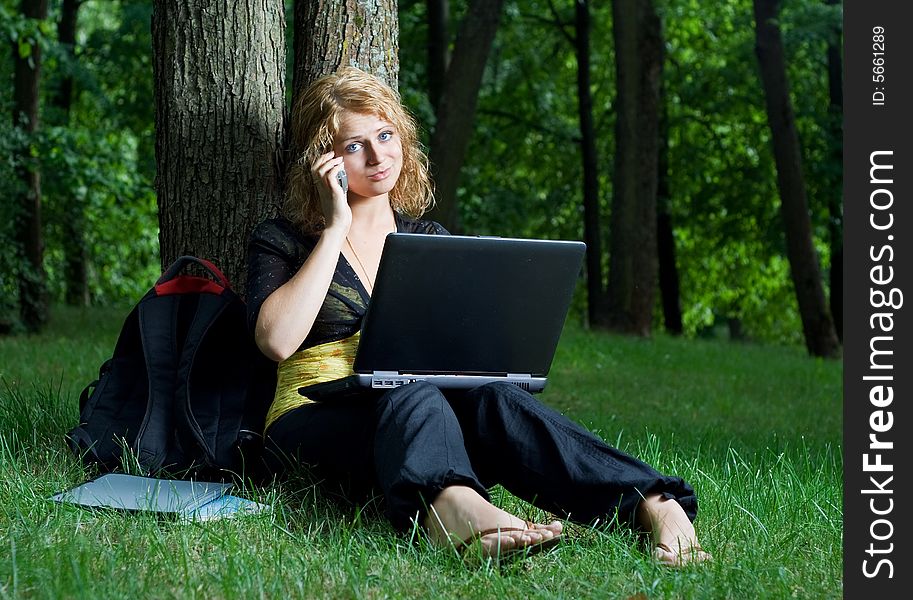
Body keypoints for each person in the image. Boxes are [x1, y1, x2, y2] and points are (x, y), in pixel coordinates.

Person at [246, 66, 710, 566]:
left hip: (423, 421)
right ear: (325, 160)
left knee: (496, 400)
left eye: (385, 135)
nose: (379, 156)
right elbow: (276, 341)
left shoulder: (430, 239)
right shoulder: (284, 239)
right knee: (411, 389)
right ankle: (458, 516)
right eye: (356, 145)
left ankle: (656, 505)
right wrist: (335, 227)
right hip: (313, 421)